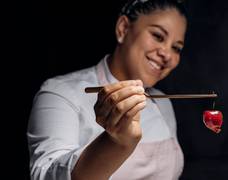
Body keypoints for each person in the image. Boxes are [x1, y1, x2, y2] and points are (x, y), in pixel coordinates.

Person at [27, 0, 187, 179]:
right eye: (158, 36)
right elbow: (45, 175)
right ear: (123, 28)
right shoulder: (60, 93)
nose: (166, 54)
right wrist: (115, 143)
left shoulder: (162, 102)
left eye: (176, 48)